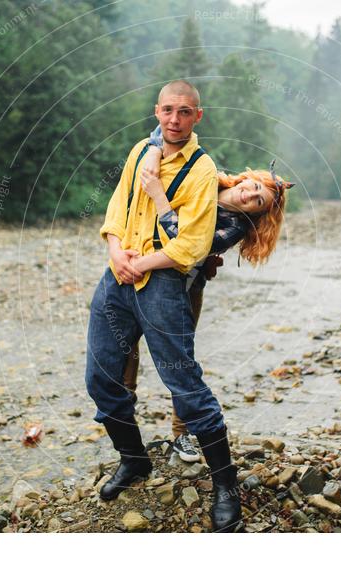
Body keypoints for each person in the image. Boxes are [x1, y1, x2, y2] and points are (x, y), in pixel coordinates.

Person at [85, 80, 242, 532]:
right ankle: (134, 460)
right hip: (117, 278)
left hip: (162, 286)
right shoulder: (140, 151)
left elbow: (191, 246)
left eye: (185, 112)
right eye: (168, 110)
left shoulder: (202, 169)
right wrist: (116, 250)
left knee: (185, 387)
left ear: (198, 116)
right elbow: (118, 206)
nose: (175, 119)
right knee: (101, 377)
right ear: (157, 111)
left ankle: (226, 488)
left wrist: (142, 265)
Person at [122, 125, 292, 462]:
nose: (250, 195)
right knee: (126, 345)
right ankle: (125, 432)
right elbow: (164, 131)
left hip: (184, 286)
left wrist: (157, 193)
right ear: (247, 179)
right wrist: (155, 154)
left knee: (179, 359)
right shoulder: (206, 178)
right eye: (254, 187)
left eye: (258, 201)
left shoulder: (235, 227)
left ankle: (181, 435)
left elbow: (187, 244)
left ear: (258, 213)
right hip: (139, 267)